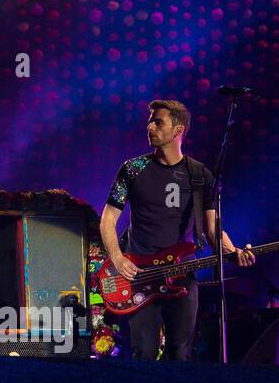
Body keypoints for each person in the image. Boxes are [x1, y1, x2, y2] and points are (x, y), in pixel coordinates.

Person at [100, 99, 256, 361]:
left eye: (157, 121)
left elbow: (212, 229)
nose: (149, 126)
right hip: (139, 274)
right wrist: (117, 258)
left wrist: (232, 250)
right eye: (149, 120)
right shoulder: (132, 169)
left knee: (179, 353)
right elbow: (107, 220)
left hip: (182, 275)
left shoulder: (199, 175)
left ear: (178, 130)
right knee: (145, 352)